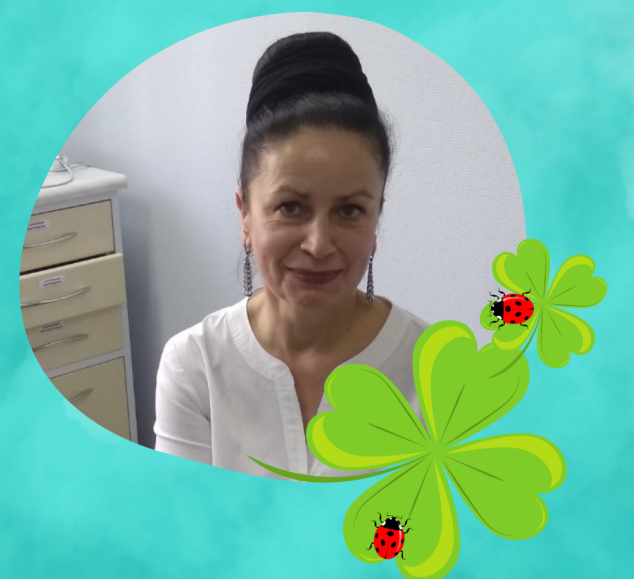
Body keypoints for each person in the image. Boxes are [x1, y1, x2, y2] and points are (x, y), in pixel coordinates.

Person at [153, 31, 430, 479]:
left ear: (376, 217)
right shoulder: (195, 365)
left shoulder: (435, 370)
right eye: (290, 207)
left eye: (349, 210)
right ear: (245, 215)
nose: (318, 244)